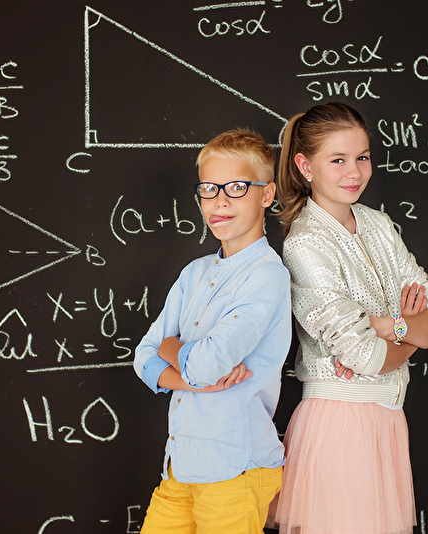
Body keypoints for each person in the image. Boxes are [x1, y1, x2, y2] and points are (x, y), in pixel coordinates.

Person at [269, 102, 428, 534]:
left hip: (386, 419)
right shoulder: (305, 244)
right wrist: (409, 333)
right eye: (338, 160)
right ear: (305, 166)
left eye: (362, 157)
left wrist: (390, 327)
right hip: (341, 423)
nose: (354, 172)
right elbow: (365, 356)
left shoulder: (378, 224)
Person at [133, 129, 291, 534]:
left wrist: (172, 347)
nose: (219, 201)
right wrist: (191, 381)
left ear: (267, 194)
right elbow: (143, 356)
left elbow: (202, 364)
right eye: (208, 189)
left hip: (234, 469)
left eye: (237, 188)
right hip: (181, 465)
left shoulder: (266, 275)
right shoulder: (194, 273)